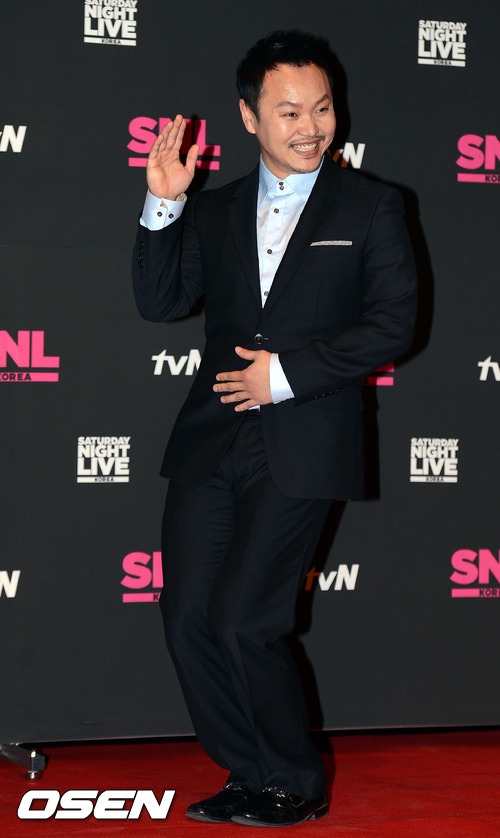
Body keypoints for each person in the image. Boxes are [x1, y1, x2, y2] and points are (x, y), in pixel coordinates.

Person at [132, 30, 417, 827]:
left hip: (306, 438)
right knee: (188, 618)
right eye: (289, 111)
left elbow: (394, 323)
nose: (310, 126)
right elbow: (159, 302)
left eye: (322, 108)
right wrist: (165, 202)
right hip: (212, 439)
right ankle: (248, 770)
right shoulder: (215, 208)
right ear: (249, 117)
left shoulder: (371, 206)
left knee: (245, 618)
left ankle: (294, 779)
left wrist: (284, 375)